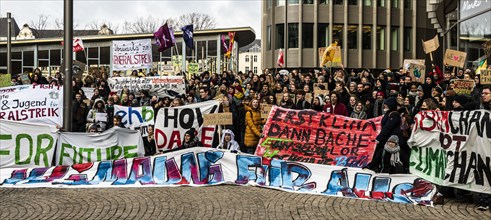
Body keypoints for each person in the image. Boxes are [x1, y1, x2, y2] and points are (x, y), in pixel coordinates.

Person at [365, 97, 409, 173]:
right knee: (380, 151)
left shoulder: (394, 114)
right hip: (388, 137)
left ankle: (404, 168)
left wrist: (379, 137)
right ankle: (374, 165)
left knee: (398, 153)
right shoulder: (389, 114)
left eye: (386, 104)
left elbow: (388, 127)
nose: (384, 106)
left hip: (393, 138)